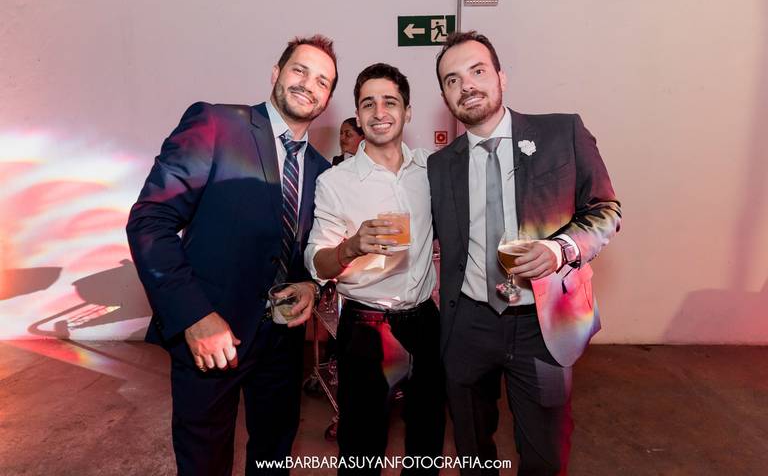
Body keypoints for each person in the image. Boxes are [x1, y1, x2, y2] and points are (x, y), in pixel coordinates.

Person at [126, 34, 337, 475]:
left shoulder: (321, 171)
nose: (308, 84)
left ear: (327, 100)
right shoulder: (218, 125)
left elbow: (306, 250)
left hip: (281, 345)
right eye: (300, 70)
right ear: (276, 73)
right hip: (212, 337)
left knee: (274, 456)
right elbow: (150, 221)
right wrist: (194, 316)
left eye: (322, 81)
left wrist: (309, 284)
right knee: (205, 462)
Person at [428, 31, 621, 475]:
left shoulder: (561, 133)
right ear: (445, 96)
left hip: (542, 323)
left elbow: (606, 210)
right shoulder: (439, 166)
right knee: (472, 449)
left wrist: (560, 249)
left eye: (477, 71)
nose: (467, 85)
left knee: (545, 454)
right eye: (453, 80)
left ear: (501, 77)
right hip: (469, 323)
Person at [306, 63, 444, 474]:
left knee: (427, 438)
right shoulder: (335, 182)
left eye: (390, 102)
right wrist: (351, 247)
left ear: (407, 111)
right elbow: (317, 261)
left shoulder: (432, 170)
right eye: (368, 103)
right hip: (366, 328)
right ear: (358, 113)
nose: (379, 112)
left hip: (425, 322)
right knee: (361, 446)